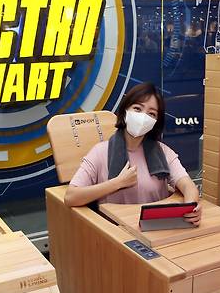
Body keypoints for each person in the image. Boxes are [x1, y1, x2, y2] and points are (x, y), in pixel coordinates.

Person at [65, 82, 202, 226]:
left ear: (155, 122)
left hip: (157, 226)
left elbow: (188, 186)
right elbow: (71, 197)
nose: (143, 117)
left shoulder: (163, 152)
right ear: (125, 111)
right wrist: (117, 183)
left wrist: (191, 208)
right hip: (116, 231)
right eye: (137, 108)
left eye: (151, 114)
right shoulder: (100, 152)